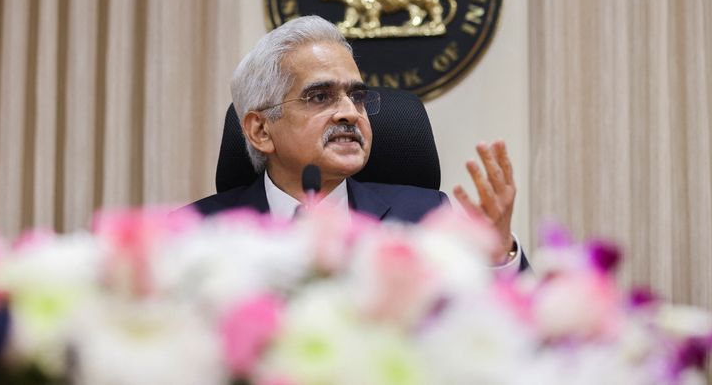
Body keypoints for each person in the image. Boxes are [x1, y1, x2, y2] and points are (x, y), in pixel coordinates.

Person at [194, 15, 528, 271]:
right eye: (320, 96)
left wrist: (497, 255)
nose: (350, 113)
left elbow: (489, 327)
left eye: (357, 96)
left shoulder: (425, 219)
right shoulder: (199, 234)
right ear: (261, 131)